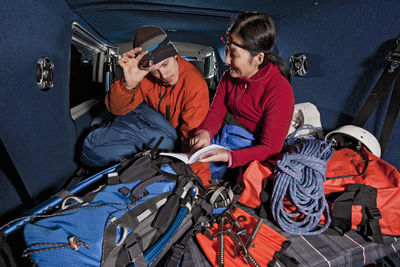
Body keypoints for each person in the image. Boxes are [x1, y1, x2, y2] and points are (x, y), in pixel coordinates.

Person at [190, 12, 295, 175]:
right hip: (221, 138)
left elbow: (270, 148)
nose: (226, 61)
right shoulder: (228, 77)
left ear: (258, 58)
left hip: (245, 152)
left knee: (193, 175)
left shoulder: (280, 90)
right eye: (226, 51)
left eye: (233, 54)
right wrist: (205, 132)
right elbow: (216, 113)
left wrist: (229, 157)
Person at [106, 25, 210, 151]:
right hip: (153, 128)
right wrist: (128, 86)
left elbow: (193, 138)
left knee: (167, 142)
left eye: (165, 64)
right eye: (155, 71)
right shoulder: (144, 77)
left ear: (175, 55)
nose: (164, 75)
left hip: (170, 137)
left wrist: (187, 168)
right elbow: (117, 110)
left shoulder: (195, 84)